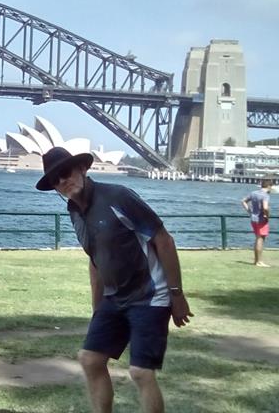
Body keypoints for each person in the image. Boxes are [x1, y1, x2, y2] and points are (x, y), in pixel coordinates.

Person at [36, 147, 193, 413]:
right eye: (55, 179)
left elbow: (163, 240)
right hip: (114, 298)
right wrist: (98, 309)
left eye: (65, 172)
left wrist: (177, 295)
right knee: (90, 359)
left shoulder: (118, 196)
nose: (62, 181)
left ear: (82, 168)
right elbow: (95, 260)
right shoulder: (75, 211)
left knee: (141, 372)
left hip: (149, 295)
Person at [241, 179, 271, 267]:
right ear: (269, 186)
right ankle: (259, 262)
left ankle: (256, 261)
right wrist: (267, 216)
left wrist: (249, 211)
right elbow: (265, 208)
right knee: (260, 240)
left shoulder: (253, 193)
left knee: (257, 239)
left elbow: (243, 201)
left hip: (253, 219)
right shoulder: (265, 195)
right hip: (261, 220)